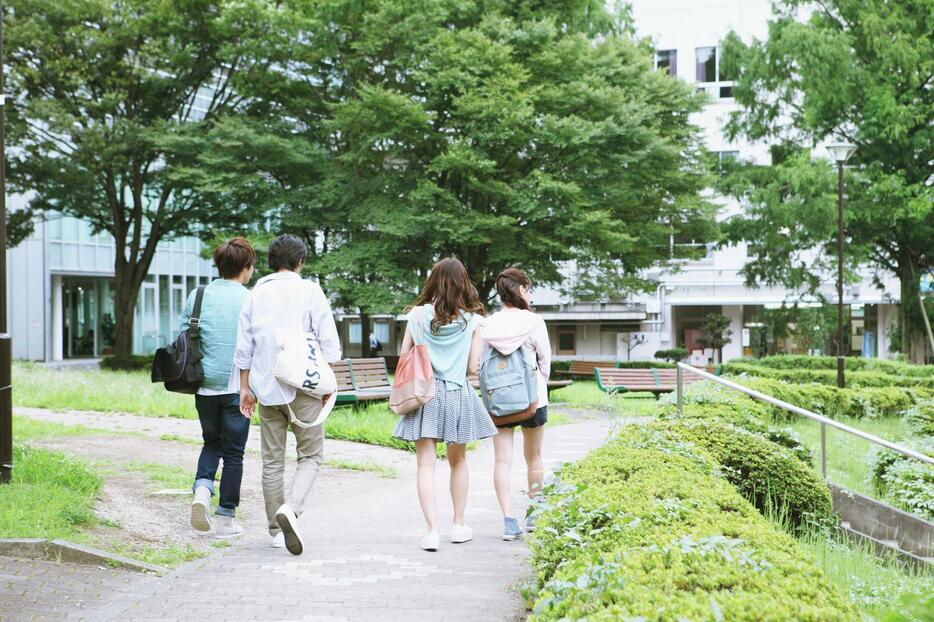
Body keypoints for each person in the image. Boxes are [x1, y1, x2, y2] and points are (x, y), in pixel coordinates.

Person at [233, 234, 341, 555]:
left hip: (267, 389)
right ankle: (291, 509)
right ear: (300, 261)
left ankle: (275, 530)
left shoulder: (255, 294)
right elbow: (329, 344)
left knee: (272, 461)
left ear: (270, 261)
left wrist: (244, 388)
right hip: (305, 386)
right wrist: (329, 383)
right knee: (311, 455)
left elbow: (244, 348)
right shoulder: (310, 291)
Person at [393, 257, 497, 551]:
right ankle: (459, 525)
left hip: (424, 394)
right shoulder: (474, 321)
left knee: (425, 464)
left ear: (433, 281)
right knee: (458, 461)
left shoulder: (416, 316)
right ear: (463, 283)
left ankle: (431, 531)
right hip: (456, 393)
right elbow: (473, 367)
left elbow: (404, 357)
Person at [186, 237, 256, 538]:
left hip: (204, 386)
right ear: (245, 267)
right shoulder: (250, 298)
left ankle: (202, 491)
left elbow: (184, 336)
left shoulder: (198, 294)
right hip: (238, 388)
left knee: (211, 443)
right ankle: (226, 518)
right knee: (234, 454)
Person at [480, 268, 551, 541]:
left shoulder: (488, 324)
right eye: (528, 288)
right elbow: (545, 362)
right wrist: (537, 386)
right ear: (521, 290)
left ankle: (509, 521)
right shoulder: (534, 322)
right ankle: (534, 513)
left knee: (501, 460)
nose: (530, 293)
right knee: (534, 456)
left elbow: (480, 365)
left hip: (499, 401)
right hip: (533, 399)